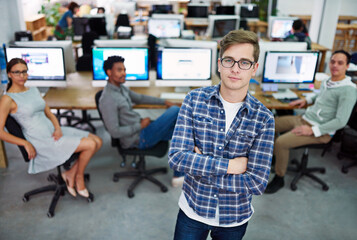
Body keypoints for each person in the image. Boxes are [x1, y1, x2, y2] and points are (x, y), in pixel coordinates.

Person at [168, 30, 275, 240]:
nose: (235, 69)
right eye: (229, 60)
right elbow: (177, 158)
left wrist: (199, 165)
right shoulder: (194, 100)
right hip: (192, 209)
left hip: (234, 217)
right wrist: (230, 166)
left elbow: (257, 182)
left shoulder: (264, 118)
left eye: (244, 62)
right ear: (219, 64)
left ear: (254, 69)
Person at [0, 58, 102, 198]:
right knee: (90, 144)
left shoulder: (32, 89)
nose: (22, 76)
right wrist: (25, 143)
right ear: (9, 74)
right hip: (41, 141)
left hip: (53, 132)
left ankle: (69, 174)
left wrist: (57, 128)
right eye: (17, 72)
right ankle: (78, 179)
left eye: (24, 72)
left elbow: (48, 112)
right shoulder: (7, 99)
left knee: (98, 140)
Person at [265, 50, 357, 194]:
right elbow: (320, 95)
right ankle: (276, 158)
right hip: (305, 119)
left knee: (281, 142)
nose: (335, 66)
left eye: (340, 63)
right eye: (333, 61)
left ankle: (279, 178)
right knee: (268, 125)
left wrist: (312, 130)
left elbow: (341, 121)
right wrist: (306, 100)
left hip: (320, 130)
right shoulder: (329, 80)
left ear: (347, 66)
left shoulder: (348, 90)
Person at [98, 56, 185, 187]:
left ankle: (178, 176)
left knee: (182, 132)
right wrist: (140, 125)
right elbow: (114, 132)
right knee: (174, 111)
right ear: (109, 72)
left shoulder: (121, 88)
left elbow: (140, 98)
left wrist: (164, 102)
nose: (124, 73)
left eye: (124, 69)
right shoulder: (108, 99)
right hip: (137, 138)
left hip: (143, 130)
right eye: (119, 70)